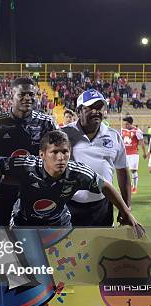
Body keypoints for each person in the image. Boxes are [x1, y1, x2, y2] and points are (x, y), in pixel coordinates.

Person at [2, 130, 144, 236]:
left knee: (65, 267)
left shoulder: (77, 173)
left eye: (65, 152)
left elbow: (105, 186)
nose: (61, 157)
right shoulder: (25, 165)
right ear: (42, 154)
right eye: (55, 152)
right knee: (22, 268)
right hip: (24, 223)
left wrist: (126, 213)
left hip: (59, 223)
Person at [0, 77, 57, 227]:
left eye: (31, 94)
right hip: (3, 191)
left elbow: (57, 153)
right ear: (11, 95)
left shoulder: (46, 123)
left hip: (33, 192)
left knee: (31, 242)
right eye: (22, 94)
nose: (27, 98)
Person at [62, 89, 130, 227]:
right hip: (68, 205)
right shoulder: (64, 133)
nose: (96, 111)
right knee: (67, 246)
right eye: (90, 107)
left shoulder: (114, 135)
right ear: (79, 110)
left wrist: (126, 208)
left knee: (100, 246)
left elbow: (122, 172)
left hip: (102, 207)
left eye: (99, 107)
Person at [121, 115, 147, 193]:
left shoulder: (137, 131)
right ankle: (125, 187)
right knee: (123, 171)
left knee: (133, 170)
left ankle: (134, 187)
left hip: (133, 154)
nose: (125, 125)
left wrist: (144, 153)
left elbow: (142, 142)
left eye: (126, 124)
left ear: (130, 123)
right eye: (125, 124)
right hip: (125, 154)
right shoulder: (123, 130)